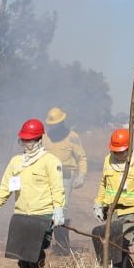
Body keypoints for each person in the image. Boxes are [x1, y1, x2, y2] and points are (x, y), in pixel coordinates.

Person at [0, 118, 65, 268]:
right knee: (22, 257)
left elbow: (57, 188)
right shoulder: (16, 162)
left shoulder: (50, 161)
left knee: (35, 255)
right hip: (21, 216)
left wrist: (58, 210)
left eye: (29, 140)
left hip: (42, 216)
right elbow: (5, 187)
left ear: (39, 139)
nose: (26, 143)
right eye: (24, 139)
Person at [92, 128, 134, 268]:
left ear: (129, 147)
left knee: (123, 243)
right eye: (116, 151)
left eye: (122, 152)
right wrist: (98, 204)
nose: (119, 155)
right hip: (112, 211)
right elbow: (103, 184)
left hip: (131, 211)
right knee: (113, 244)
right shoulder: (108, 160)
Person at [43, 107, 87, 254]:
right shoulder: (45, 138)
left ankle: (62, 246)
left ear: (62, 122)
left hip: (65, 177)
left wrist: (82, 176)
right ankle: (45, 243)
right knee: (46, 208)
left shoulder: (72, 137)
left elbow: (81, 158)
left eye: (55, 123)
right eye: (51, 124)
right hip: (47, 177)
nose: (52, 126)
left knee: (61, 209)